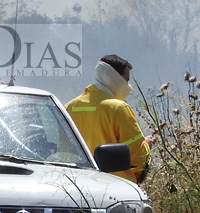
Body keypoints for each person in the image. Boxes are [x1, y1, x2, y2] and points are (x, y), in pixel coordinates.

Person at [65, 54, 152, 183]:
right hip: (115, 186)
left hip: (77, 184)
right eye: (126, 80)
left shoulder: (70, 107)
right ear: (115, 79)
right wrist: (147, 145)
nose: (128, 86)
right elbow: (136, 154)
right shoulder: (118, 108)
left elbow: (63, 151)